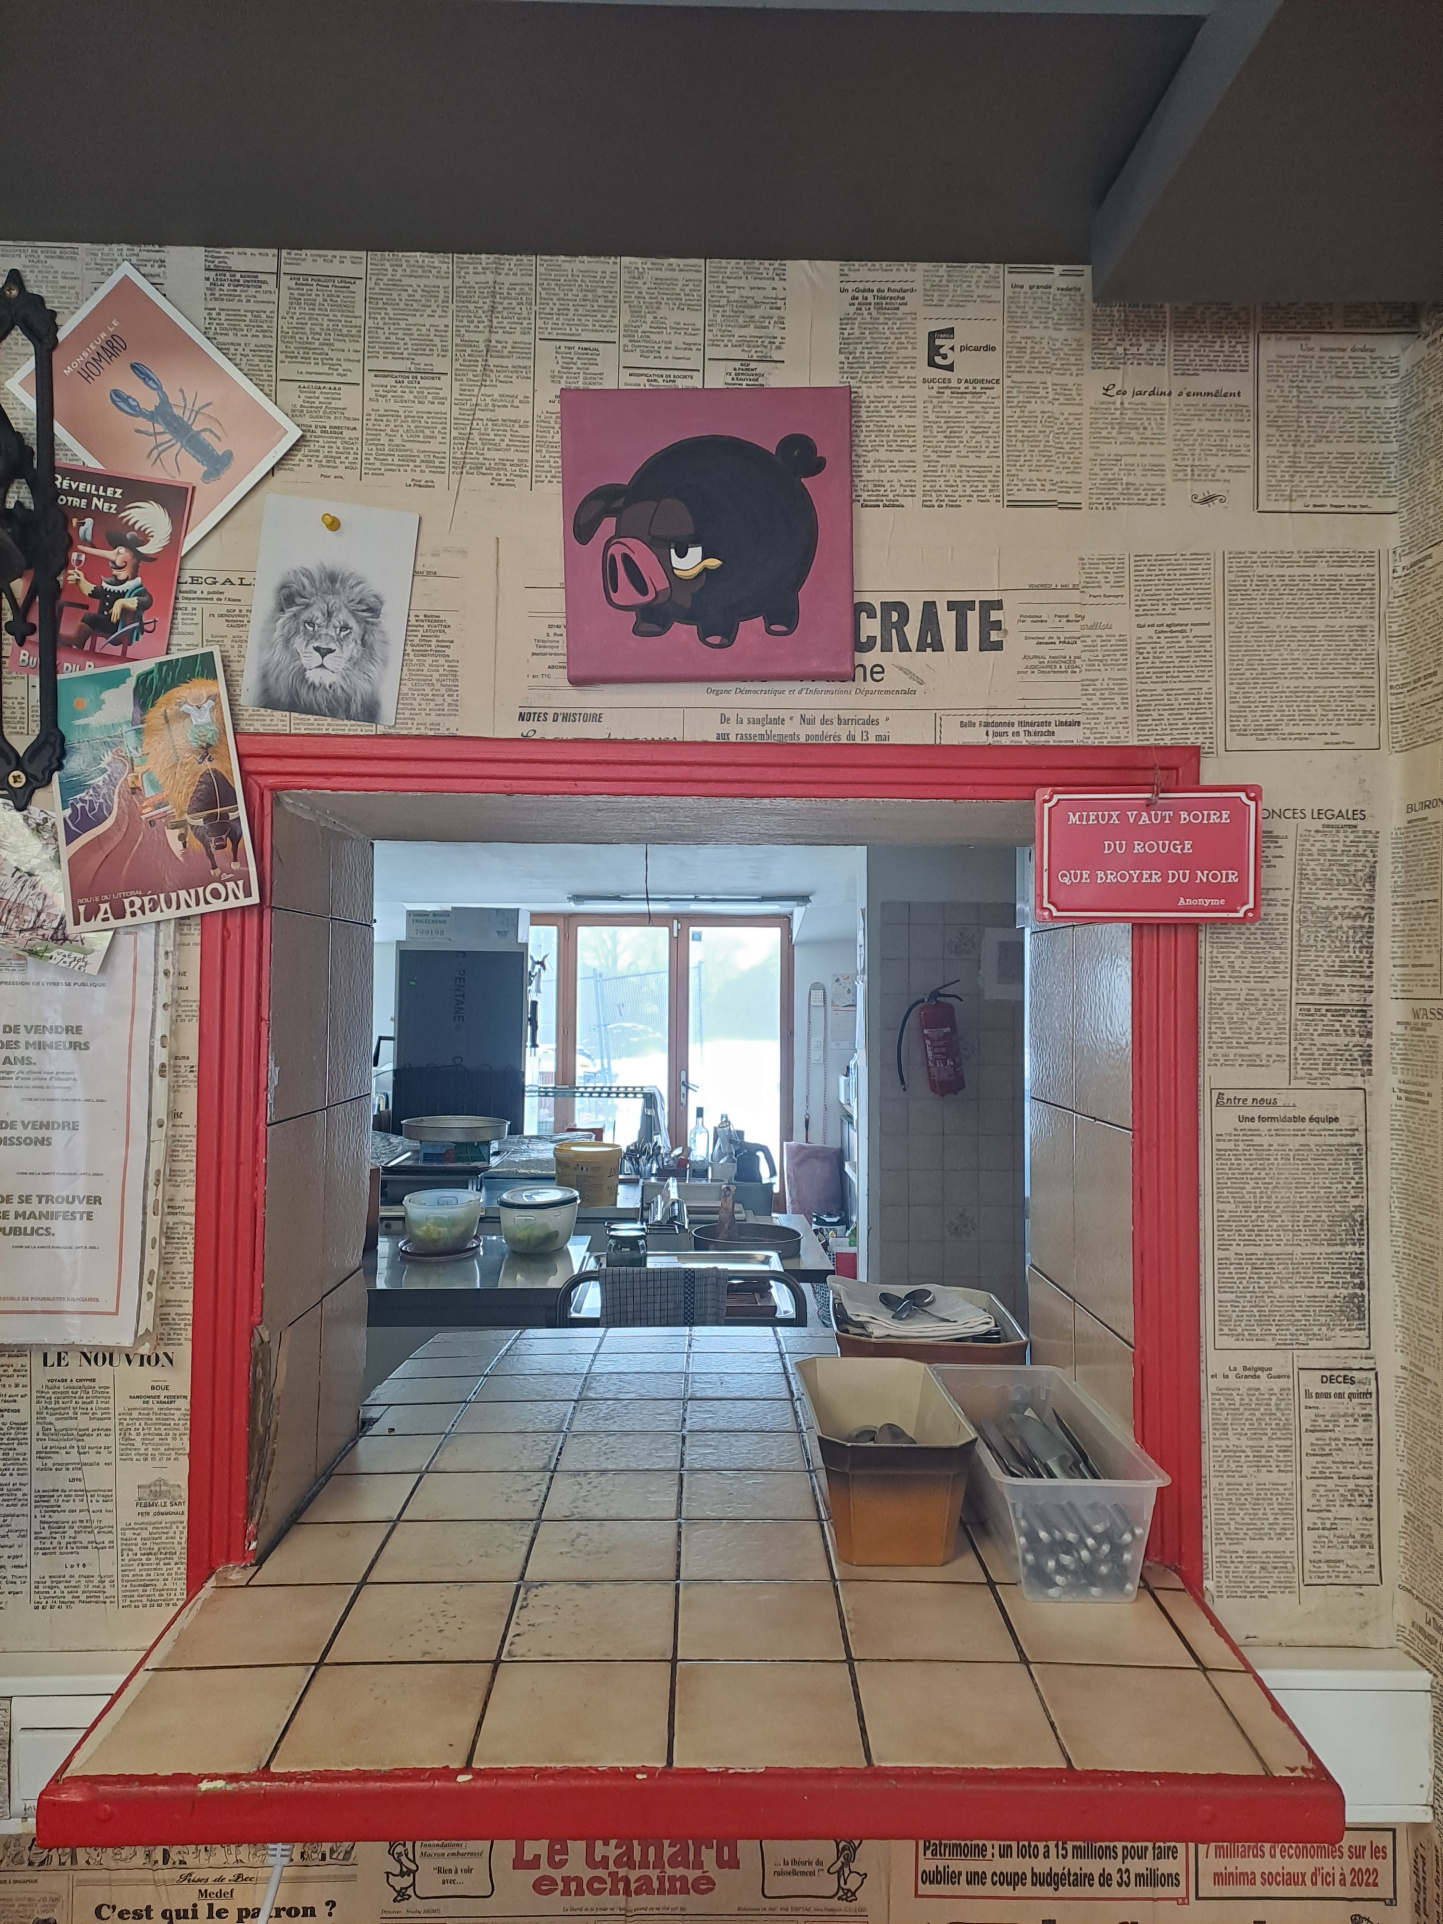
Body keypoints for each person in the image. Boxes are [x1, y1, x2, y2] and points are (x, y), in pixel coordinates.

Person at [66, 528, 154, 655]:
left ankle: (77, 640)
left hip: (119, 628)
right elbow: (96, 592)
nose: (112, 558)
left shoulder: (136, 588)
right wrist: (81, 581)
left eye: (120, 552)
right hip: (104, 622)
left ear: (134, 559)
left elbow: (147, 600)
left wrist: (122, 603)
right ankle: (77, 640)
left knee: (89, 618)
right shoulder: (111, 585)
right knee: (90, 618)